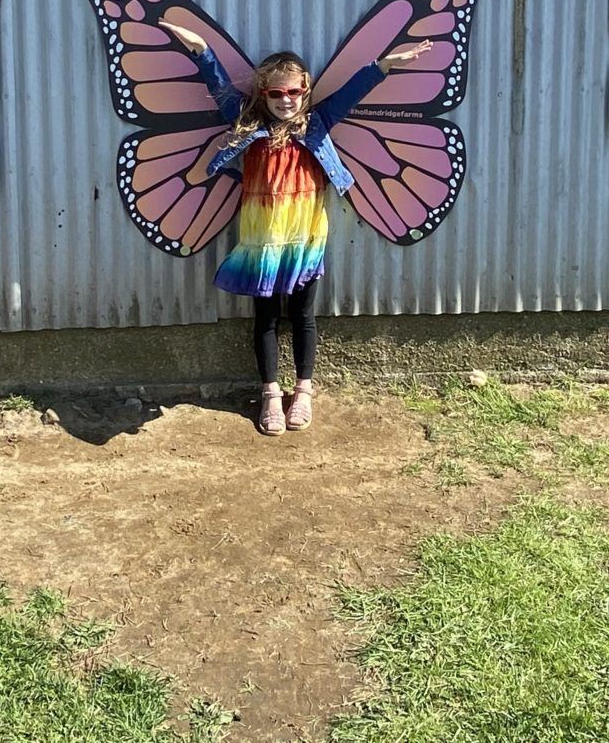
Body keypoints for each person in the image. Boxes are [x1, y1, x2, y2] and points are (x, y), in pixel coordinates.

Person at [158, 22, 430, 435]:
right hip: (262, 237)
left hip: (305, 233)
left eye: (295, 92)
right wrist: (199, 48)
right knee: (265, 317)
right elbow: (215, 80)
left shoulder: (317, 122)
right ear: (262, 94)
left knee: (303, 315)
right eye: (276, 93)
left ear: (306, 91)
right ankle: (270, 393)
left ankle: (303, 390)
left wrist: (385, 65)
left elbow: (351, 93)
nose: (287, 100)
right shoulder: (245, 121)